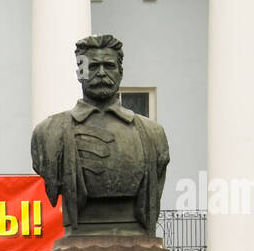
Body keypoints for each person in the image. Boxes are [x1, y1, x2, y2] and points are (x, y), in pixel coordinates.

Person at [30, 34, 170, 236]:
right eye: (93, 67)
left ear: (120, 72)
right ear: (80, 73)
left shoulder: (153, 133)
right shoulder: (49, 131)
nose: (102, 73)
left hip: (134, 231)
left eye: (109, 66)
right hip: (79, 232)